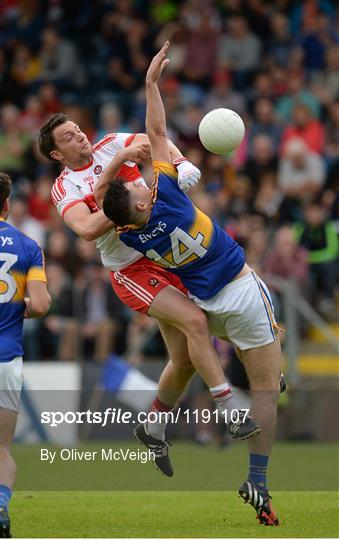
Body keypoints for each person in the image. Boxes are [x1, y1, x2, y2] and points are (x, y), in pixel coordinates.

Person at [102, 42, 283, 527]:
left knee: (200, 346)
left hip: (205, 303)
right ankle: (258, 480)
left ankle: (175, 415)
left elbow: (109, 204)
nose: (142, 181)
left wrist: (117, 171)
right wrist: (151, 85)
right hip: (241, 289)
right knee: (268, 388)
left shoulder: (129, 231)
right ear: (141, 203)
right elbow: (157, 130)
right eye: (137, 185)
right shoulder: (167, 198)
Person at [39, 114, 259, 475]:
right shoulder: (65, 187)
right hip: (132, 270)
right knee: (195, 320)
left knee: (186, 358)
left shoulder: (110, 141)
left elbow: (154, 139)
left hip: (163, 250)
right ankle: (231, 410)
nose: (79, 134)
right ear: (56, 154)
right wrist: (135, 195)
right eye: (68, 136)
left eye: (77, 128)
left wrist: (180, 162)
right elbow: (87, 228)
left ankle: (153, 427)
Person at [0, 172, 51, 538]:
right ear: (6, 205)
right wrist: (28, 306)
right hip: (7, 358)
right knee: (2, 448)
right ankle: (1, 509)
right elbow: (43, 304)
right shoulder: (28, 246)